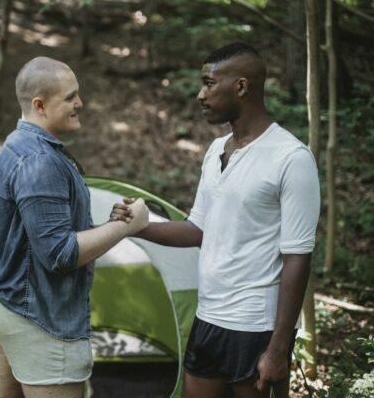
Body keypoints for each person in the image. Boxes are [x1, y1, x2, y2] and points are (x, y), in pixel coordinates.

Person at [111, 42, 320, 398]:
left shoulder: (291, 158)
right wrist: (139, 227)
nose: (200, 95)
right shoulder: (215, 151)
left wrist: (278, 348)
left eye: (209, 84)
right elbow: (197, 229)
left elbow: (297, 257)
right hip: (209, 318)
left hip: (256, 326)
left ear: (241, 86)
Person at [0, 56, 149, 398]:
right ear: (39, 104)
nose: (80, 103)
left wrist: (111, 224)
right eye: (70, 97)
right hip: (34, 311)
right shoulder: (40, 161)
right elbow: (59, 254)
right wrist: (129, 227)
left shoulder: (16, 145)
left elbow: (36, 234)